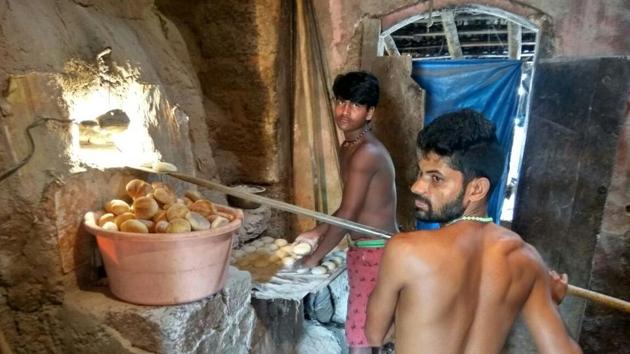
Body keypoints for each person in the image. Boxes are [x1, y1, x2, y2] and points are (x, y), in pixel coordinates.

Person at [365, 109, 581, 354]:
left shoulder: (406, 250)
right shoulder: (527, 260)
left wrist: (415, 311)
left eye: (436, 178)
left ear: (476, 189)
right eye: (420, 173)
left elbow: (375, 334)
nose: (417, 187)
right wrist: (548, 300)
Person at [295, 71, 398, 353]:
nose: (345, 111)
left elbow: (350, 214)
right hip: (363, 249)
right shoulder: (350, 145)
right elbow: (349, 207)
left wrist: (315, 257)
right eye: (341, 101)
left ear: (369, 112)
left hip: (376, 252)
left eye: (355, 105)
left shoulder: (367, 152)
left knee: (360, 337)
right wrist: (318, 231)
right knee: (366, 327)